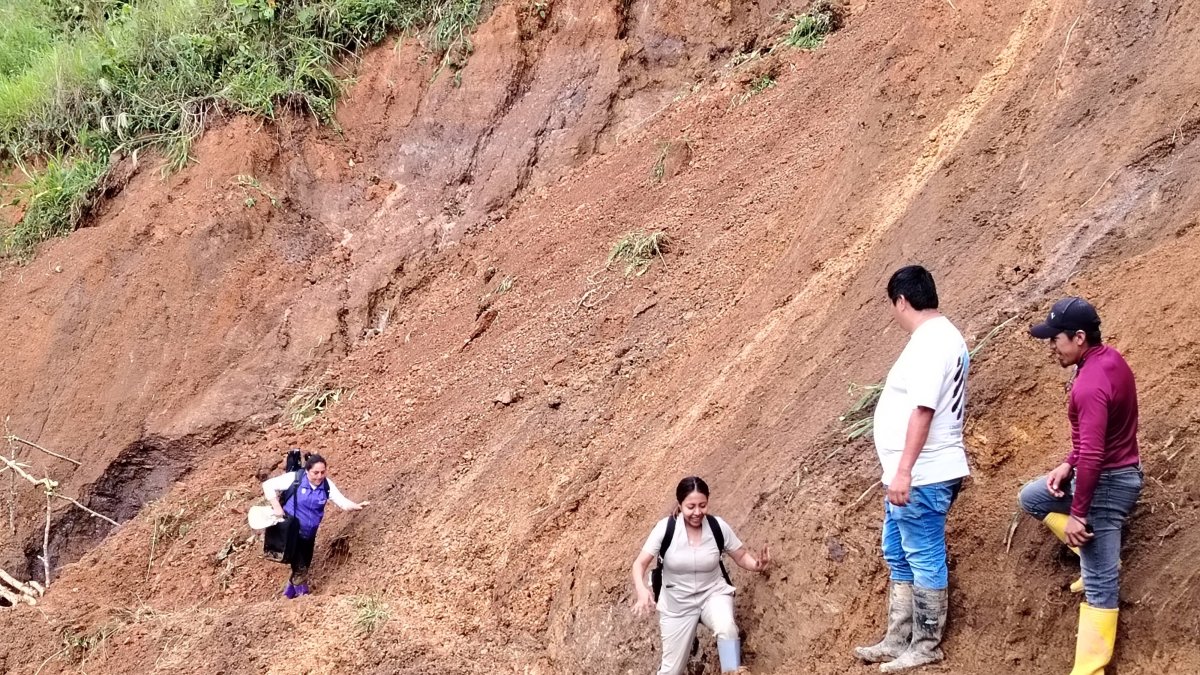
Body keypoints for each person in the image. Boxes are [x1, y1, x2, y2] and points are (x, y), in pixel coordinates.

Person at [855, 265, 970, 672]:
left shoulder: (932, 343)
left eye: (893, 305)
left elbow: (923, 409)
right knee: (897, 550)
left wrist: (904, 470)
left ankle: (925, 644)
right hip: (912, 473)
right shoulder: (939, 338)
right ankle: (898, 637)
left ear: (902, 301)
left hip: (923, 473)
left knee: (923, 553)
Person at [1017, 297, 1141, 675]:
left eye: (1056, 338)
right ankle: (1095, 554)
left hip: (1108, 483)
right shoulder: (1110, 360)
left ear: (1080, 337)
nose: (1051, 346)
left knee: (1101, 586)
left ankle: (1089, 670)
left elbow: (1094, 455)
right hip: (1114, 471)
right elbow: (1092, 443)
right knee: (1033, 496)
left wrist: (1079, 515)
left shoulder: (1089, 384)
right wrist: (1066, 463)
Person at [630, 476, 769, 675]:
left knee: (727, 628)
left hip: (712, 594)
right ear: (680, 505)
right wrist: (641, 590)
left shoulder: (717, 526)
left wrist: (756, 565)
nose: (697, 512)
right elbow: (639, 563)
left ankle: (732, 671)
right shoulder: (665, 528)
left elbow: (740, 555)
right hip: (677, 604)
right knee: (672, 671)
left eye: (702, 505)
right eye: (691, 507)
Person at [261, 453, 368, 598]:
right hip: (291, 532)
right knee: (300, 568)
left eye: (322, 472)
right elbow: (268, 485)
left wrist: (357, 506)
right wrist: (277, 507)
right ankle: (304, 598)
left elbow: (342, 502)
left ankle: (287, 597)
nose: (319, 476)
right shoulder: (295, 478)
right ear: (307, 471)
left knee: (304, 565)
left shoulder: (327, 485)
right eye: (315, 473)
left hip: (309, 534)